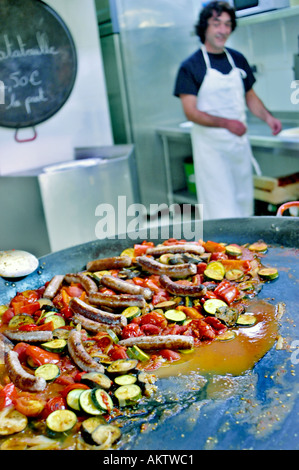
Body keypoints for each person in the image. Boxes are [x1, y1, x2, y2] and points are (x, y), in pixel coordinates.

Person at [174, 1, 282, 220]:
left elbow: (250, 96)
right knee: (220, 209)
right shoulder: (191, 66)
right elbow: (191, 112)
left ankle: (245, 253)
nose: (223, 30)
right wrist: (227, 123)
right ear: (205, 27)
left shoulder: (237, 59)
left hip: (238, 148)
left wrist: (268, 118)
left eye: (227, 24)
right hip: (212, 151)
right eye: (217, 24)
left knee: (243, 205)